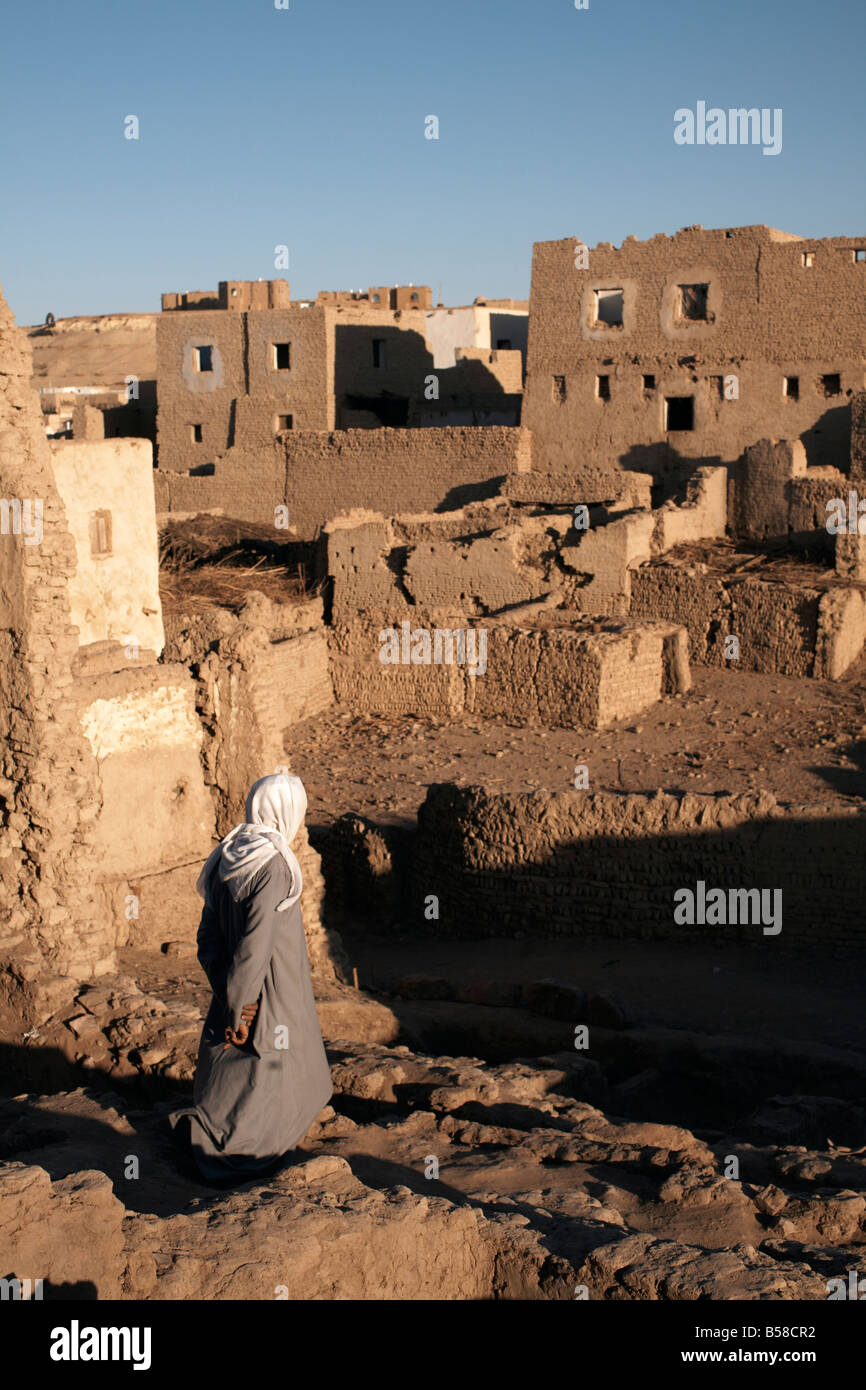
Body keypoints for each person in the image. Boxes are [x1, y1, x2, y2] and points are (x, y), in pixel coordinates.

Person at [170, 773, 333, 1182]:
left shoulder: (230, 852)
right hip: (269, 987)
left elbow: (207, 938)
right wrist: (241, 1006)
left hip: (237, 983)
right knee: (271, 1069)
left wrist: (225, 988)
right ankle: (248, 1152)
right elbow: (256, 947)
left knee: (238, 1071)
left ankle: (234, 1136)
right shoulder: (272, 866)